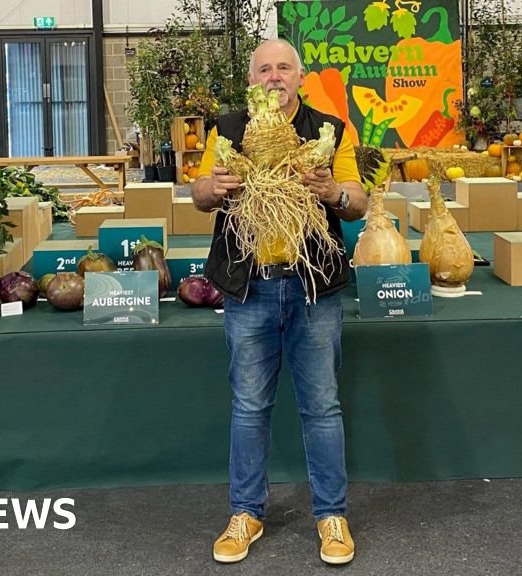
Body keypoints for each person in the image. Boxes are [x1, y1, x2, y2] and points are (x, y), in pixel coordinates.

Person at [191, 38, 367, 566]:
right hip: (250, 286)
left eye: (283, 67)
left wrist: (330, 191)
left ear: (300, 75)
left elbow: (357, 202)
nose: (274, 76)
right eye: (264, 69)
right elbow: (198, 195)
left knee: (322, 406)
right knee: (249, 406)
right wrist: (215, 186)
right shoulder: (228, 129)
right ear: (253, 79)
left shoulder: (330, 130)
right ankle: (246, 513)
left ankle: (331, 516)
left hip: (312, 286)